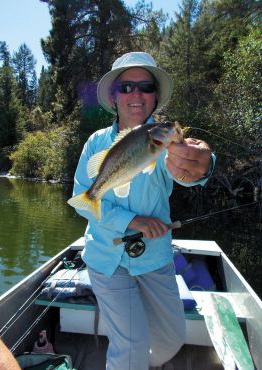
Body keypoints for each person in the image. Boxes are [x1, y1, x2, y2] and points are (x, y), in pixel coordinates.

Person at [71, 52, 214, 369]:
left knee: (171, 339)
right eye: (126, 87)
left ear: (155, 96)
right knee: (130, 347)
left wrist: (202, 165)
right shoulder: (96, 143)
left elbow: (187, 169)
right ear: (114, 95)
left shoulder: (165, 143)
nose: (136, 94)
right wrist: (132, 220)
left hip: (154, 256)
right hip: (106, 256)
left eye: (146, 86)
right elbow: (83, 197)